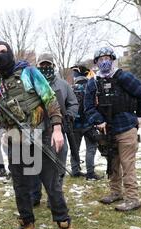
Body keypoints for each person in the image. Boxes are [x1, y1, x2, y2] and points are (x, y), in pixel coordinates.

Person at [0, 42, 74, 229]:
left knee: (51, 184)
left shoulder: (29, 73)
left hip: (40, 136)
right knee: (20, 186)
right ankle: (27, 222)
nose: (0, 56)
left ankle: (64, 224)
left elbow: (50, 99)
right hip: (15, 142)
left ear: (10, 53)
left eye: (3, 52)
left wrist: (56, 128)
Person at [84, 47, 141, 212]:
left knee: (127, 165)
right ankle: (115, 192)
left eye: (107, 58)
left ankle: (133, 199)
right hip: (107, 131)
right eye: (101, 59)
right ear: (96, 62)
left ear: (112, 59)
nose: (104, 61)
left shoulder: (124, 77)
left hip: (126, 127)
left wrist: (138, 115)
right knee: (112, 162)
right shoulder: (93, 83)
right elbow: (88, 107)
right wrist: (98, 121)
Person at [31, 53, 79, 207]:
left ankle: (55, 197)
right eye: (42, 65)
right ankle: (35, 195)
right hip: (37, 130)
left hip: (58, 130)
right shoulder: (31, 85)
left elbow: (73, 103)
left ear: (53, 66)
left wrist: (70, 116)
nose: (45, 68)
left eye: (48, 65)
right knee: (35, 164)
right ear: (37, 67)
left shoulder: (63, 85)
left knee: (59, 164)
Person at [70, 65, 102, 181]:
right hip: (89, 123)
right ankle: (90, 172)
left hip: (74, 124)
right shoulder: (91, 87)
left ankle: (75, 170)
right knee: (91, 149)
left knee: (75, 149)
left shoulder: (71, 88)